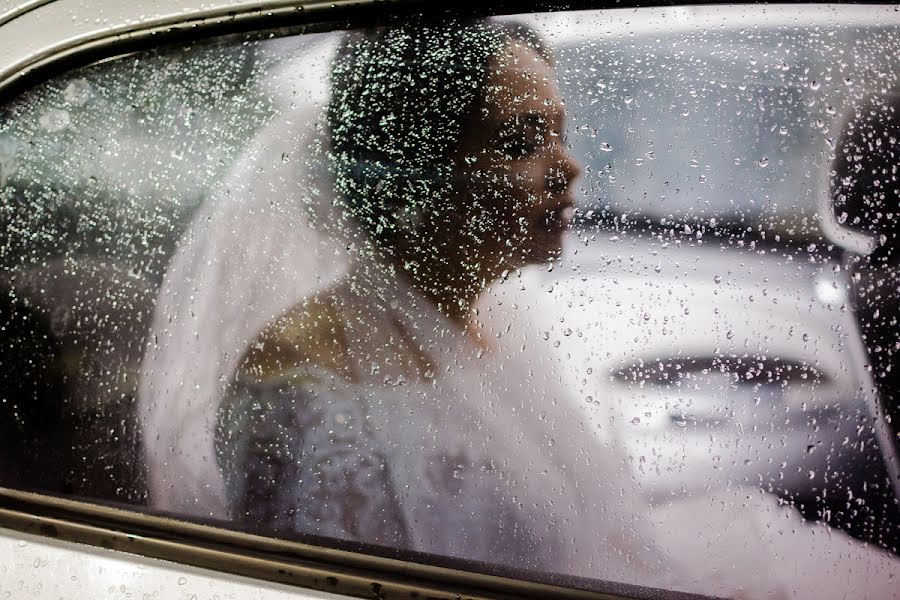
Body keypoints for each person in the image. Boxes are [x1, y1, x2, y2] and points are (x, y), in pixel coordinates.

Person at [147, 18, 899, 598]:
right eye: (520, 140)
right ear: (417, 174)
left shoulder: (492, 317)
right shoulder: (305, 392)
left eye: (561, 134)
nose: (569, 166)